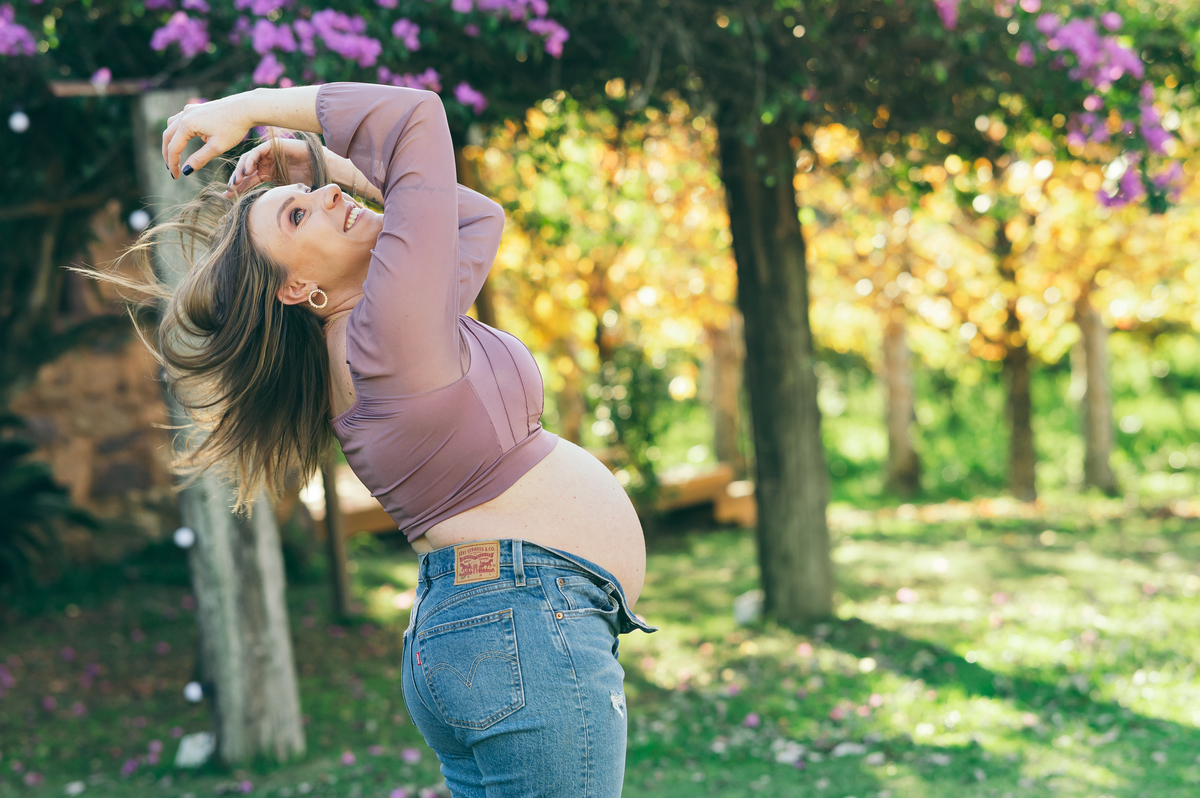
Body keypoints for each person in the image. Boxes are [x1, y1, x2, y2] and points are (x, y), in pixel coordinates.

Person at [126, 83, 656, 796]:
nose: (324, 199)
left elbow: (472, 218)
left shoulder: (385, 334)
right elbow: (418, 118)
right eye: (299, 213)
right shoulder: (383, 341)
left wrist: (334, 173)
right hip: (522, 623)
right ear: (299, 290)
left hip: (498, 627)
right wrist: (249, 108)